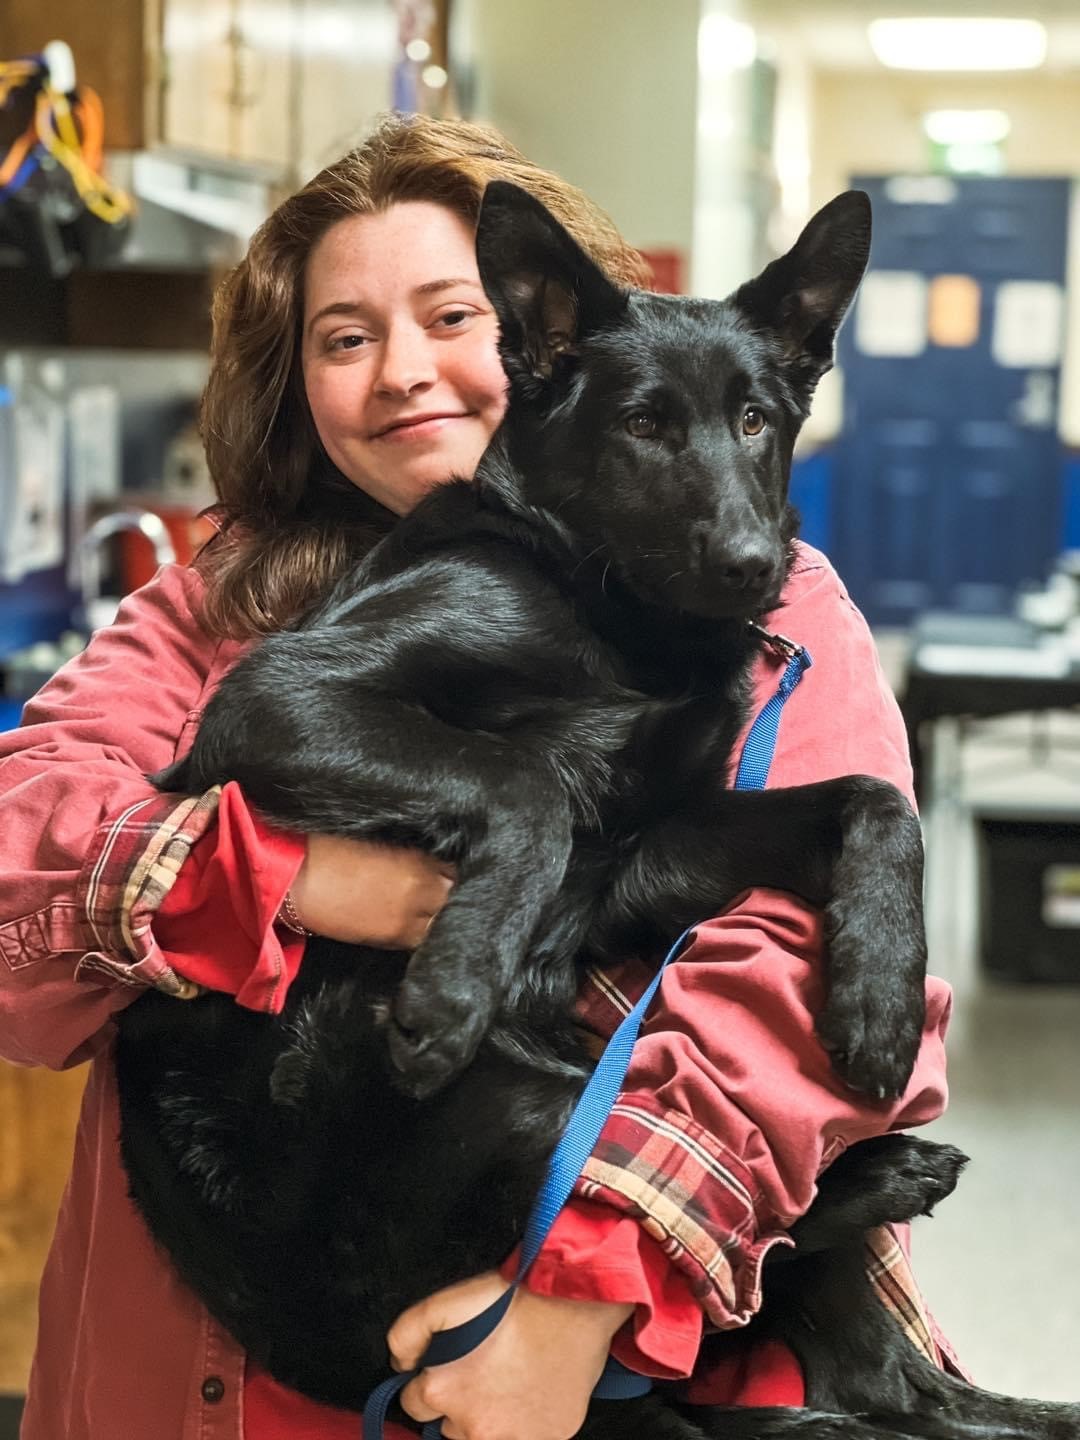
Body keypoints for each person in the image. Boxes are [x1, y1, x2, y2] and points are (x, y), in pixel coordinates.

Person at [0, 113, 958, 1440]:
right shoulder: (205, 614)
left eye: (453, 317)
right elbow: (16, 872)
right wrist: (301, 878)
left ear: (536, 343)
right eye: (345, 338)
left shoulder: (773, 619)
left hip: (582, 1347)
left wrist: (571, 1309)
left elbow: (783, 995)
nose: (406, 373)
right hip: (214, 1364)